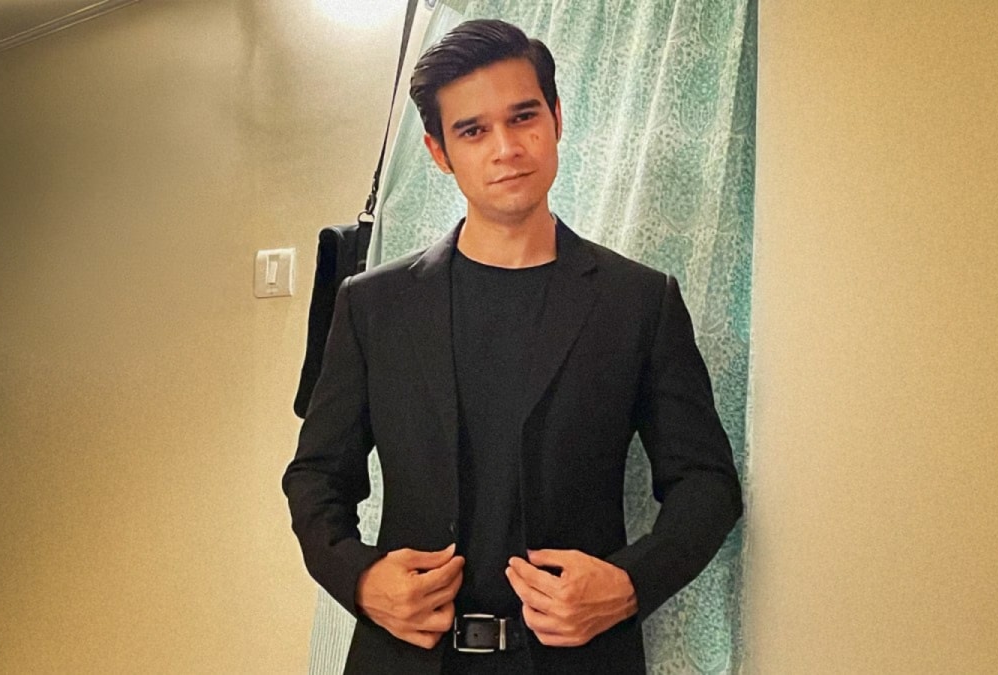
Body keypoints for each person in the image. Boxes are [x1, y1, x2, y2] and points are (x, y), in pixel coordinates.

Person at [283, 19, 742, 675]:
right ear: (439, 152)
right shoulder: (373, 305)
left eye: (523, 116)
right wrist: (359, 578)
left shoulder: (640, 301)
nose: (506, 148)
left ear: (556, 119)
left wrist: (630, 584)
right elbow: (316, 476)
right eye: (473, 130)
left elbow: (706, 482)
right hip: (408, 657)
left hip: (578, 659)